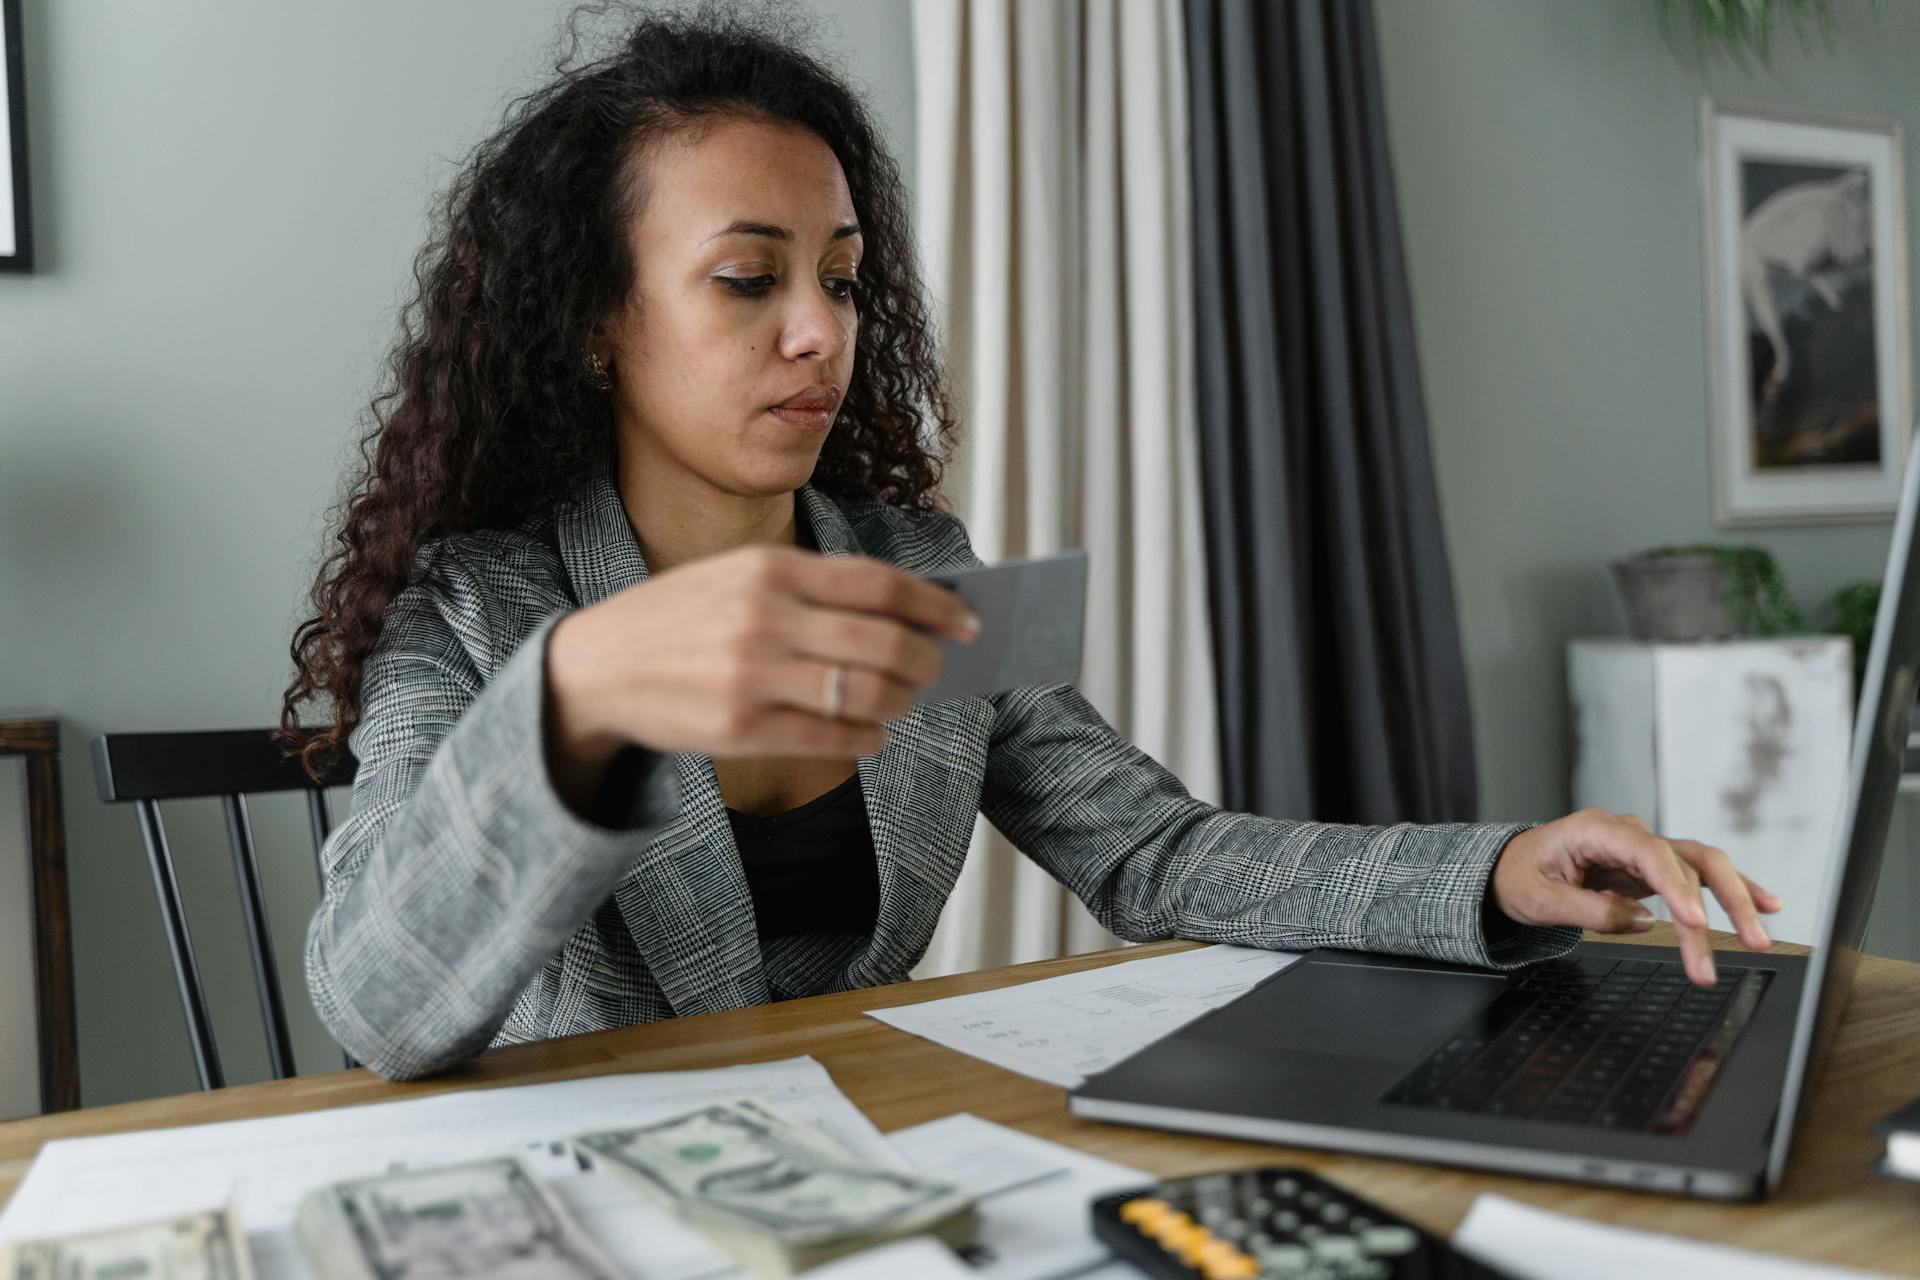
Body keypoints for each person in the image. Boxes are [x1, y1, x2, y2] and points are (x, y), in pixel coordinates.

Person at [281, 7, 1780, 1083]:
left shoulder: (921, 571)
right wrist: (577, 696)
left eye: (847, 284)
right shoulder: (477, 610)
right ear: (601, 320)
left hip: (871, 1167)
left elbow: (1160, 854)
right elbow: (373, 1007)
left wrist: (1501, 870)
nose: (820, 334)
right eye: (747, 279)